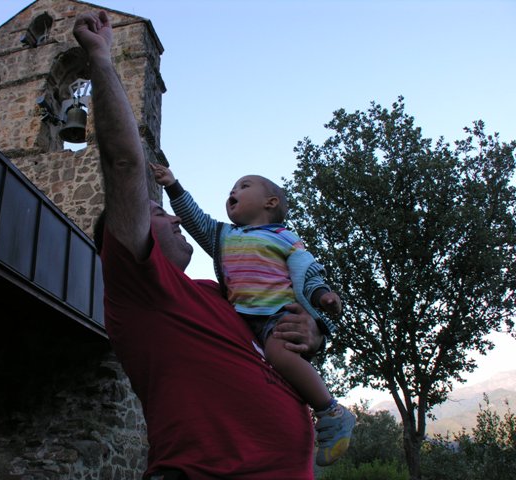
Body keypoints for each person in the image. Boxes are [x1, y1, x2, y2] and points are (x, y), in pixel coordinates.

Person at [74, 10, 327, 480]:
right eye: (157, 215)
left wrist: (311, 334)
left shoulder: (220, 293)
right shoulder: (139, 290)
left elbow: (279, 328)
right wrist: (101, 60)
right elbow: (125, 162)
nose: (173, 219)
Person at [150, 164, 356, 466]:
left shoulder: (285, 238)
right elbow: (196, 220)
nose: (233, 191)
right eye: (233, 188)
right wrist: (173, 185)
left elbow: (307, 273)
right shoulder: (224, 236)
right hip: (243, 322)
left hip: (277, 315)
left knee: (280, 355)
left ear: (270, 202)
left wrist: (323, 297)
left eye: (244, 186)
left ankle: (331, 411)